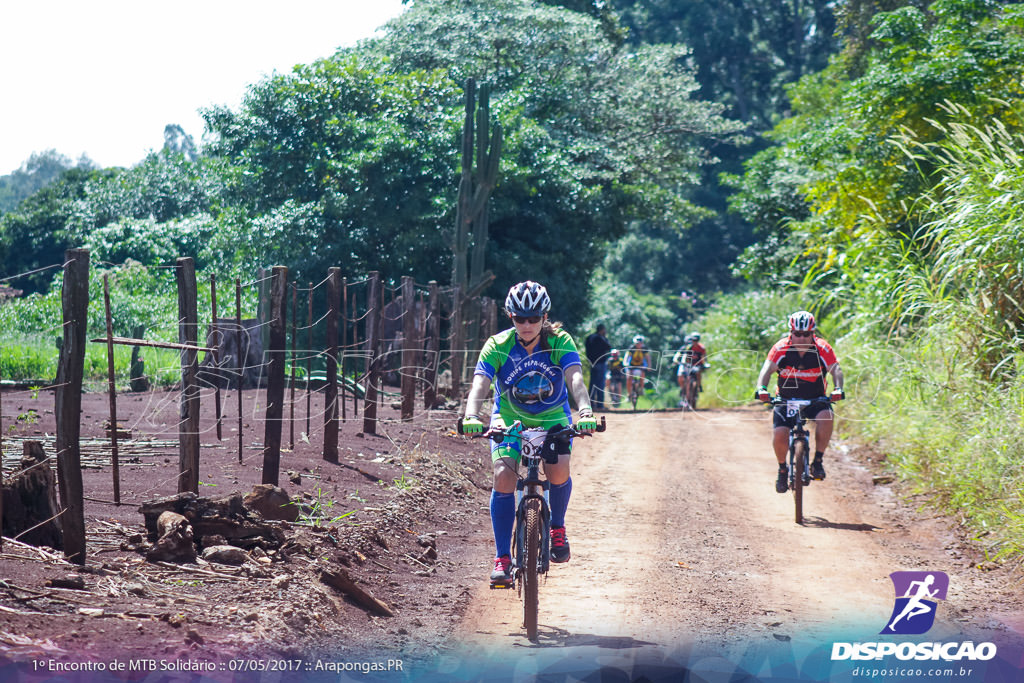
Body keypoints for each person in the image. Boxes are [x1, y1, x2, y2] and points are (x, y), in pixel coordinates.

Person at [460, 281, 597, 586]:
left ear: (544, 317)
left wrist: (585, 411)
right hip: (509, 419)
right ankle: (502, 558)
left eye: (533, 318)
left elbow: (575, 378)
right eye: (519, 318)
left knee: (559, 471)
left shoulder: (560, 340)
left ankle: (557, 527)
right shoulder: (498, 344)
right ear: (510, 316)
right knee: (503, 475)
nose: (526, 325)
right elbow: (480, 384)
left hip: (553, 418)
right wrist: (472, 415)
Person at [755, 310, 845, 493]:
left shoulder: (823, 348)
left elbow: (836, 370)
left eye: (807, 334)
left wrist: (838, 388)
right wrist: (761, 389)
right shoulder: (781, 348)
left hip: (815, 398)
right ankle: (782, 469)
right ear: (791, 333)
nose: (802, 338)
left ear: (813, 333)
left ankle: (818, 461)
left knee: (827, 416)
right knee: (780, 434)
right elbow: (766, 370)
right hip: (786, 399)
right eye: (797, 334)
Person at [672, 333, 708, 409]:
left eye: (696, 340)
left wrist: (705, 363)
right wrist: (682, 362)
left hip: (697, 364)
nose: (694, 341)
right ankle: (685, 392)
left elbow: (704, 357)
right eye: (693, 340)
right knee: (685, 378)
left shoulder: (701, 348)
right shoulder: (688, 347)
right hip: (689, 364)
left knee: (698, 373)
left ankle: (699, 385)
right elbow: (684, 356)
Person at [584, 324, 612, 410]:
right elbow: (609, 347)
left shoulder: (589, 337)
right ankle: (600, 405)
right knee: (600, 384)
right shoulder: (600, 338)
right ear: (602, 330)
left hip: (592, 363)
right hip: (600, 363)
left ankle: (591, 404)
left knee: (592, 384)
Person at [623, 335, 650, 402]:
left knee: (643, 374)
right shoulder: (631, 348)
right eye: (637, 343)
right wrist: (625, 363)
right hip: (631, 366)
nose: (639, 345)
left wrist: (649, 366)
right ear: (634, 343)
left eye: (640, 343)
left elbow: (648, 358)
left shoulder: (644, 349)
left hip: (640, 365)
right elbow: (626, 357)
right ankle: (629, 394)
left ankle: (641, 389)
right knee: (629, 378)